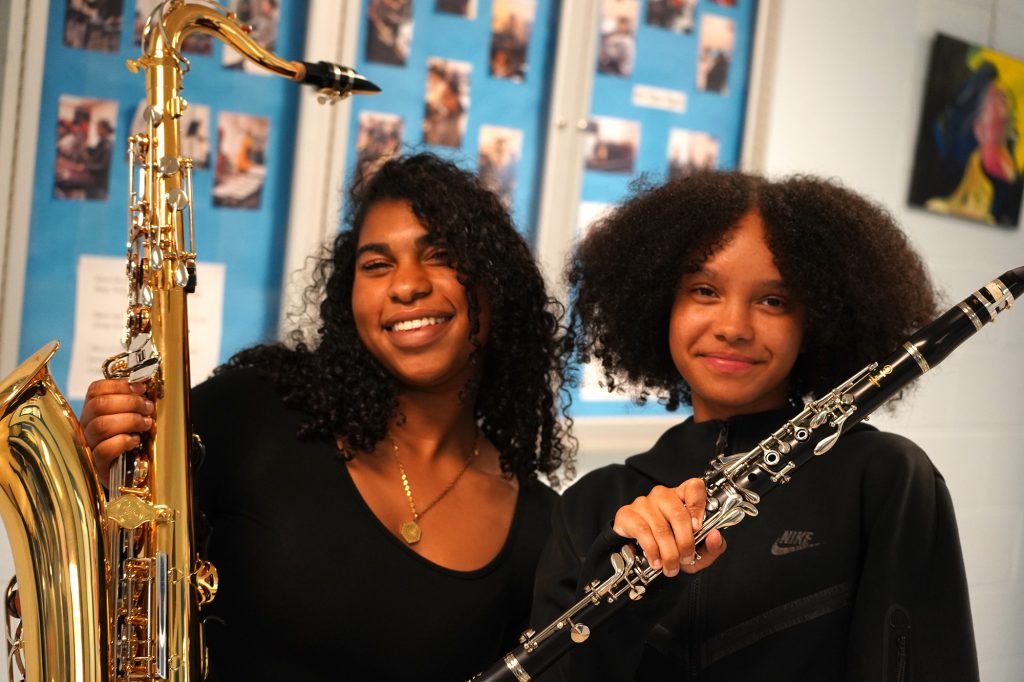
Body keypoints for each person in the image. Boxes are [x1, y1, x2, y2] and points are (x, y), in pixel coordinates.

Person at [81, 153, 581, 680]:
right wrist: (105, 468)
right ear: (350, 296)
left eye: (439, 254)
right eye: (377, 264)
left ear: (495, 286)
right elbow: (106, 592)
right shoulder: (252, 409)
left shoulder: (540, 529)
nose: (406, 285)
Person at [531, 170, 979, 680]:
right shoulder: (591, 505)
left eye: (772, 301)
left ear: (818, 320)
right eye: (704, 290)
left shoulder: (884, 478)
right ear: (659, 304)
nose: (733, 328)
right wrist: (617, 605)